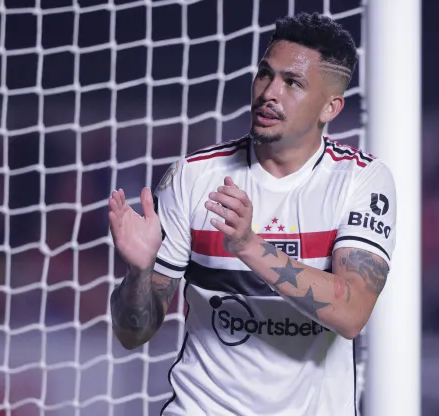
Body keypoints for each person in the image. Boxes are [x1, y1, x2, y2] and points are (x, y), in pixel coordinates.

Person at [108, 12, 396, 416]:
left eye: (292, 82)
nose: (269, 92)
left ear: (330, 107)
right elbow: (131, 333)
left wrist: (248, 246)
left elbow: (351, 313)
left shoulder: (361, 181)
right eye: (265, 74)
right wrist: (139, 274)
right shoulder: (193, 177)